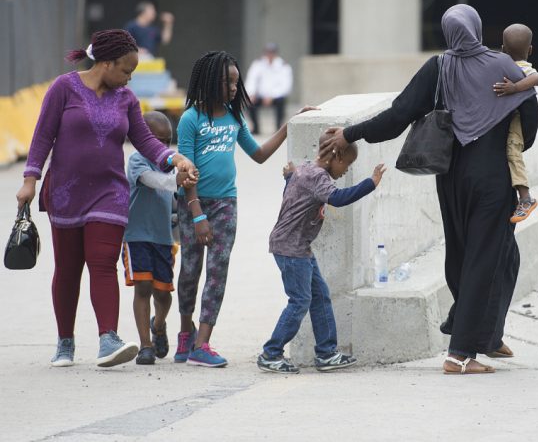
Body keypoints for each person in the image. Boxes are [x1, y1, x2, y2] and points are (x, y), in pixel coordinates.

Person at [319, 4, 538, 375]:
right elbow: (530, 124)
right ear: (478, 28)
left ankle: (482, 334)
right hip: (493, 179)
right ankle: (460, 353)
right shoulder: (504, 67)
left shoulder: (438, 69)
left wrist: (349, 132)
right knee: (487, 258)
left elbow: (397, 115)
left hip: (450, 175)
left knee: (465, 253)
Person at [15, 29, 198, 368]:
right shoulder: (63, 89)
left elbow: (147, 142)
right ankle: (65, 342)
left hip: (109, 194)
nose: (129, 78)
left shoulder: (126, 100)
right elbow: (42, 137)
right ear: (107, 62)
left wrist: (176, 160)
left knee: (102, 264)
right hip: (65, 193)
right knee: (68, 270)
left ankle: (107, 339)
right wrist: (30, 179)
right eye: (126, 70)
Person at [175, 50, 314, 367]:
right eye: (229, 83)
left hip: (226, 203)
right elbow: (185, 172)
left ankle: (202, 343)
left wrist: (289, 125)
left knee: (217, 271)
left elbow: (259, 154)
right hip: (193, 204)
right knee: (190, 270)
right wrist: (197, 214)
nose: (235, 89)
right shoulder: (190, 120)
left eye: (237, 84)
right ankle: (186, 331)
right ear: (210, 82)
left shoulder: (234, 117)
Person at [257, 136, 386, 374]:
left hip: (298, 246)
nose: (345, 170)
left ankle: (327, 353)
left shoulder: (305, 169)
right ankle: (271, 353)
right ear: (335, 157)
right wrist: (371, 183)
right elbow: (338, 198)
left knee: (320, 295)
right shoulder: (317, 176)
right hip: (291, 248)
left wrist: (288, 177)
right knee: (300, 301)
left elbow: (294, 192)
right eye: (346, 164)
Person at [122, 111, 190, 365]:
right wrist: (176, 181)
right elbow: (153, 181)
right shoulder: (137, 161)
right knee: (143, 287)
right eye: (157, 140)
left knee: (163, 292)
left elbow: (173, 202)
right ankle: (145, 345)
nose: (163, 147)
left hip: (163, 239)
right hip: (136, 235)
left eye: (167, 141)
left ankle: (158, 325)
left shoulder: (171, 164)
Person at [492, 23, 538, 222]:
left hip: (517, 121)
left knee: (512, 152)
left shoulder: (522, 68)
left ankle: (525, 197)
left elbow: (537, 77)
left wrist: (515, 88)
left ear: (503, 49)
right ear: (530, 50)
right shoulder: (507, 65)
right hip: (508, 119)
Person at [244, 42, 294, 134]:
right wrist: (251, 94)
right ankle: (256, 128)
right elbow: (251, 80)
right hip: (260, 96)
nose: (270, 55)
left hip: (276, 97)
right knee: (249, 102)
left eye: (272, 52)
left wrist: (271, 96)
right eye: (268, 52)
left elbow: (286, 87)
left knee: (281, 101)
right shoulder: (257, 64)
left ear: (276, 53)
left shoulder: (284, 66)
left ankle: (278, 127)